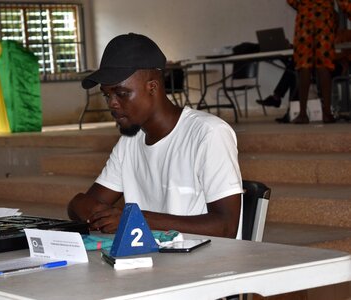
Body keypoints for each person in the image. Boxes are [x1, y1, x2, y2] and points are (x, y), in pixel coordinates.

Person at [67, 33, 243, 239]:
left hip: (207, 264)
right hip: (151, 261)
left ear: (152, 87)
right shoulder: (129, 143)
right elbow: (80, 206)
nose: (112, 103)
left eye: (121, 93)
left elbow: (226, 227)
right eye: (107, 95)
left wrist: (137, 219)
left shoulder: (208, 134)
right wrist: (84, 207)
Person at [287, 0, 350, 124]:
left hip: (305, 17)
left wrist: (304, 6)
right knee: (324, 64)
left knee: (304, 65)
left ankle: (303, 114)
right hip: (324, 17)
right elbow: (344, 3)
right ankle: (327, 113)